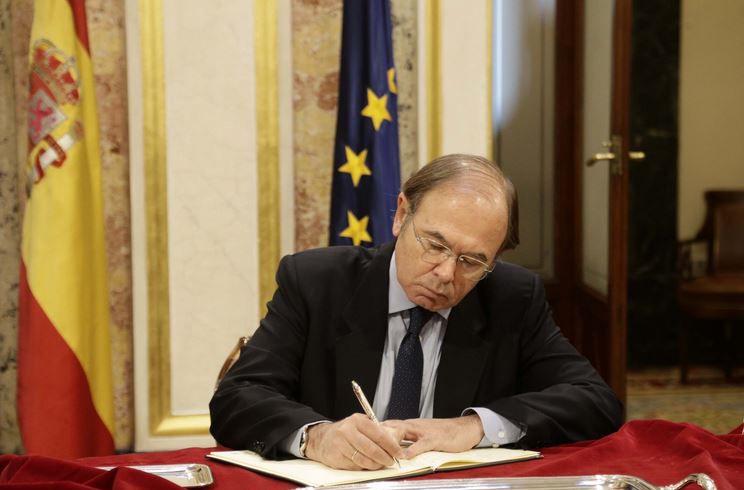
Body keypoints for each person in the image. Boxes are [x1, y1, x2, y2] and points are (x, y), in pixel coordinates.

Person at [210, 154, 623, 470]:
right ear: (401, 215)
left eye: (472, 261)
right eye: (436, 245)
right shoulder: (317, 282)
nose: (446, 274)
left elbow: (595, 401)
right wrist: (317, 438)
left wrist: (472, 428)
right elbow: (237, 398)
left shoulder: (511, 297)